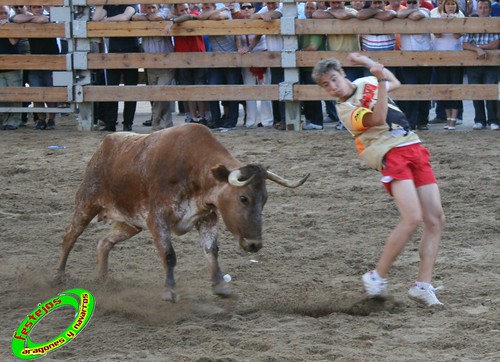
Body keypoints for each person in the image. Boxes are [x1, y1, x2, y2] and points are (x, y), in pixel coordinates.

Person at [312, 53, 446, 307]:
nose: (332, 87)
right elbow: (378, 119)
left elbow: (393, 80)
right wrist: (380, 80)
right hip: (389, 152)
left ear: (342, 74)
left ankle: (422, 285)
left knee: (436, 218)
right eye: (325, 85)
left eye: (333, 79)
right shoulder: (345, 109)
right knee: (412, 218)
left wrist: (367, 62)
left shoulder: (365, 82)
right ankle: (377, 275)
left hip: (412, 145)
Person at [313, 0, 360, 130]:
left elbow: (345, 16)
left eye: (338, 2)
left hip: (352, 59)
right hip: (335, 61)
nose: (336, 5)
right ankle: (344, 120)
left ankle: (352, 121)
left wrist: (332, 13)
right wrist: (334, 13)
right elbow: (316, 14)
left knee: (352, 93)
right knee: (339, 93)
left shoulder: (352, 11)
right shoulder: (329, 12)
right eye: (333, 3)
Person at [92, 4, 140, 132]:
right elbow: (96, 18)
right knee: (111, 89)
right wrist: (101, 3)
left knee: (130, 89)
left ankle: (128, 123)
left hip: (130, 50)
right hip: (113, 51)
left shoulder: (132, 4)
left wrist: (107, 19)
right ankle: (110, 123)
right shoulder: (110, 6)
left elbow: (125, 17)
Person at [14, 5, 59, 130]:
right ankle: (41, 119)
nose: (37, 9)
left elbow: (43, 20)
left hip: (51, 60)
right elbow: (17, 19)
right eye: (34, 7)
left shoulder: (50, 15)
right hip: (34, 61)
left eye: (39, 6)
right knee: (36, 91)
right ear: (30, 8)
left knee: (51, 92)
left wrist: (30, 18)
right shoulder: (28, 16)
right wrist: (33, 18)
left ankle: (51, 119)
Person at [198, 3, 241, 130]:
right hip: (215, 60)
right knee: (213, 90)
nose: (205, 11)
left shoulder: (224, 11)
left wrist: (212, 13)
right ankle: (216, 119)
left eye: (208, 8)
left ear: (214, 7)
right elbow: (201, 17)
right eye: (204, 8)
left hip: (231, 58)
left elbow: (221, 17)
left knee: (232, 91)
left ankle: (231, 120)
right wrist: (211, 13)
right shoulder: (215, 11)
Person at [132, 4, 175, 131]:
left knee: (161, 93)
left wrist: (149, 17)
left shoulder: (165, 11)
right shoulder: (143, 15)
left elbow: (157, 17)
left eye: (153, 7)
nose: (151, 10)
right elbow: (134, 17)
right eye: (148, 8)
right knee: (156, 94)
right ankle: (167, 124)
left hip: (166, 63)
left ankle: (156, 123)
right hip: (150, 64)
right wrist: (149, 17)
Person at [165, 3, 208, 125]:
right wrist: (173, 20)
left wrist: (173, 21)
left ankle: (202, 116)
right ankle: (192, 116)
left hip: (198, 55)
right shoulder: (174, 18)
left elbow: (189, 16)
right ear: (177, 11)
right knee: (187, 87)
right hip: (182, 57)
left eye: (187, 8)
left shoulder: (193, 14)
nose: (186, 11)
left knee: (200, 86)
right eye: (182, 10)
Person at [462, 0, 500, 130]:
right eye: (480, 8)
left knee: (490, 91)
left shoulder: (495, 22)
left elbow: (496, 43)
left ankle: (493, 120)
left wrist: (478, 47)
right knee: (476, 91)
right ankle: (479, 120)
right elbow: (465, 43)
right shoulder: (472, 24)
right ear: (476, 9)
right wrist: (478, 50)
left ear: (490, 9)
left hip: (491, 62)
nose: (482, 10)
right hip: (474, 61)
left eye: (485, 8)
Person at [236, 2, 274, 128]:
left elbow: (258, 36)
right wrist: (240, 48)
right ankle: (250, 121)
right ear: (240, 10)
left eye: (249, 7)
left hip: (261, 56)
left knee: (265, 88)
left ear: (253, 9)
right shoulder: (238, 23)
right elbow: (237, 38)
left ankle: (267, 120)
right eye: (243, 7)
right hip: (247, 59)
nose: (246, 9)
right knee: (249, 89)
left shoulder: (259, 19)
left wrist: (249, 48)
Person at [397, 0, 432, 130]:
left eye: (414, 2)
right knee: (410, 92)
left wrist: (409, 11)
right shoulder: (404, 13)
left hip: (425, 59)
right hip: (407, 60)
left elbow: (416, 16)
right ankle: (411, 122)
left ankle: (423, 121)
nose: (411, 4)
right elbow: (401, 15)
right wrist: (410, 11)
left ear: (419, 3)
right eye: (409, 2)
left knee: (424, 91)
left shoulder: (425, 11)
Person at [251, 2, 286, 130]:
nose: (271, 5)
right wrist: (249, 48)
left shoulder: (282, 7)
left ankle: (284, 119)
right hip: (273, 58)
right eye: (269, 3)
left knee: (283, 89)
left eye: (273, 2)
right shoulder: (266, 9)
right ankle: (278, 119)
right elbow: (253, 18)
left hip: (284, 56)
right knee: (275, 89)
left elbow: (276, 14)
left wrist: (265, 15)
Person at [431, 0, 464, 130]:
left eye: (453, 4)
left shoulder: (460, 15)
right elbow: (437, 34)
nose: (451, 6)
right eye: (448, 4)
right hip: (440, 56)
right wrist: (444, 20)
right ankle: (447, 117)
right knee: (444, 86)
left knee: (455, 86)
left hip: (457, 56)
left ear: (456, 6)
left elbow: (456, 35)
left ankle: (453, 119)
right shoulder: (437, 16)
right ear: (444, 6)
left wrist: (452, 21)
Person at [299, 1, 325, 130]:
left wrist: (299, 52)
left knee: (313, 94)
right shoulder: (304, 24)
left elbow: (313, 47)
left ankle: (317, 121)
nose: (309, 10)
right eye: (307, 8)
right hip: (305, 65)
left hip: (313, 65)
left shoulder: (316, 25)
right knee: (307, 94)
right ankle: (311, 120)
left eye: (312, 8)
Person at [0, 5, 22, 130]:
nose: (2, 16)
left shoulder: (13, 24)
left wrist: (7, 27)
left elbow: (13, 41)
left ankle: (14, 121)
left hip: (13, 66)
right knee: (2, 96)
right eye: (0, 13)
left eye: (5, 13)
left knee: (15, 95)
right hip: (1, 67)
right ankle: (5, 119)